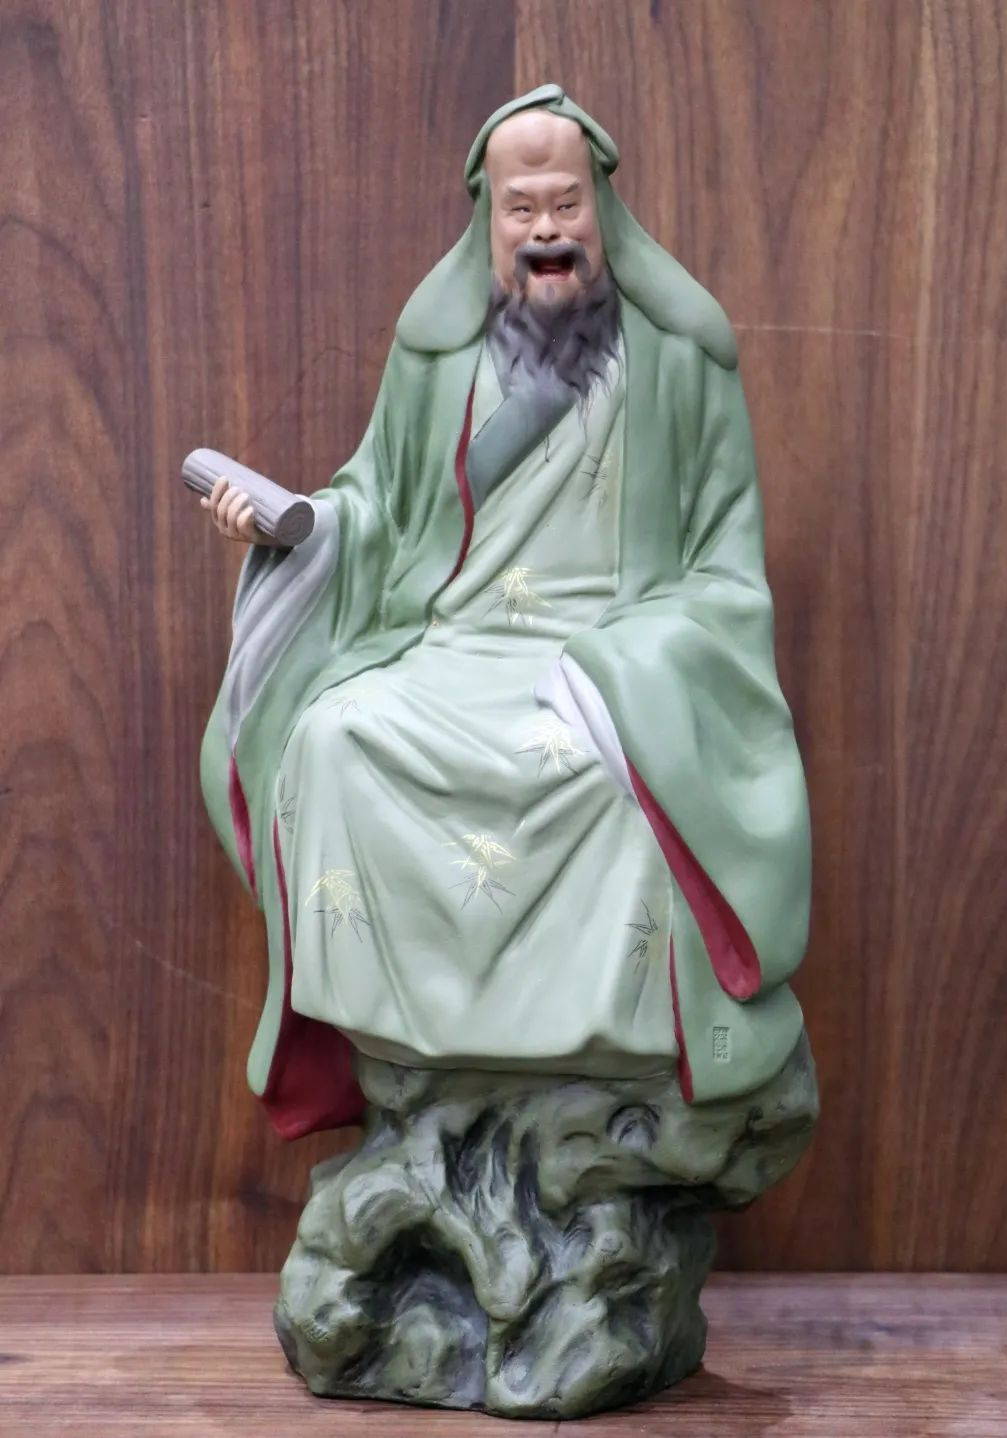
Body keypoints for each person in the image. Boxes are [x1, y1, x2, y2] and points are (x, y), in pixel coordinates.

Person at [200, 85, 813, 1142]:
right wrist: (296, 530)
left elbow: (724, 565)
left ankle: (608, 1049)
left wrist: (641, 662)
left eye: (566, 206)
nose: (545, 234)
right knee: (334, 739)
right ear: (489, 218)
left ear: (602, 210)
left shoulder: (682, 355)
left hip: (606, 652)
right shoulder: (435, 352)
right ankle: (408, 1045)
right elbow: (380, 508)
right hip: (451, 646)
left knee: (616, 769)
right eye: (521, 209)